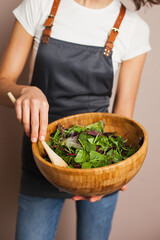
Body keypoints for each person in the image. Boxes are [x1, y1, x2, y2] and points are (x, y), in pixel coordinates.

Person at [0, 0, 159, 239]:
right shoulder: (39, 5)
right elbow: (3, 82)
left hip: (100, 166)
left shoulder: (133, 27)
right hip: (42, 159)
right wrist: (25, 91)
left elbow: (123, 118)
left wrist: (118, 174)